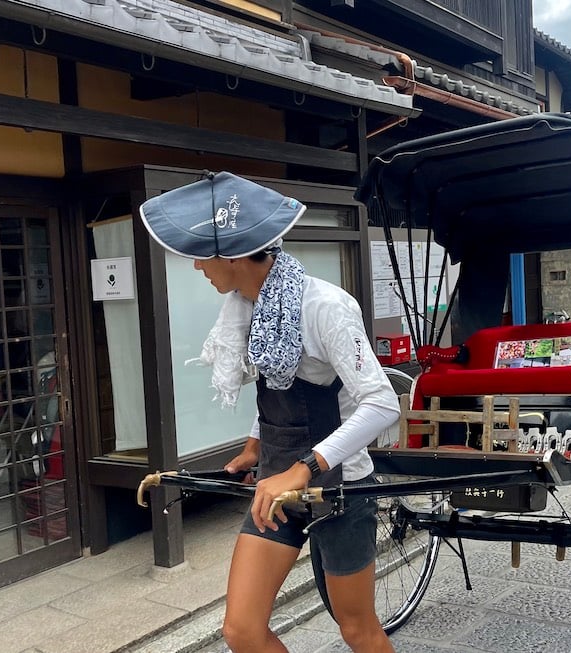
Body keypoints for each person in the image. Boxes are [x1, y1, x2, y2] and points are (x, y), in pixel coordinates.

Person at [139, 172, 400, 653]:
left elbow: (382, 403)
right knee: (241, 629)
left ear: (235, 255)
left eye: (203, 254)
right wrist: (255, 448)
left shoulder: (324, 307)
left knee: (357, 628)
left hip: (340, 487)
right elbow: (278, 386)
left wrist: (304, 469)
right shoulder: (248, 306)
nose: (197, 266)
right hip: (275, 487)